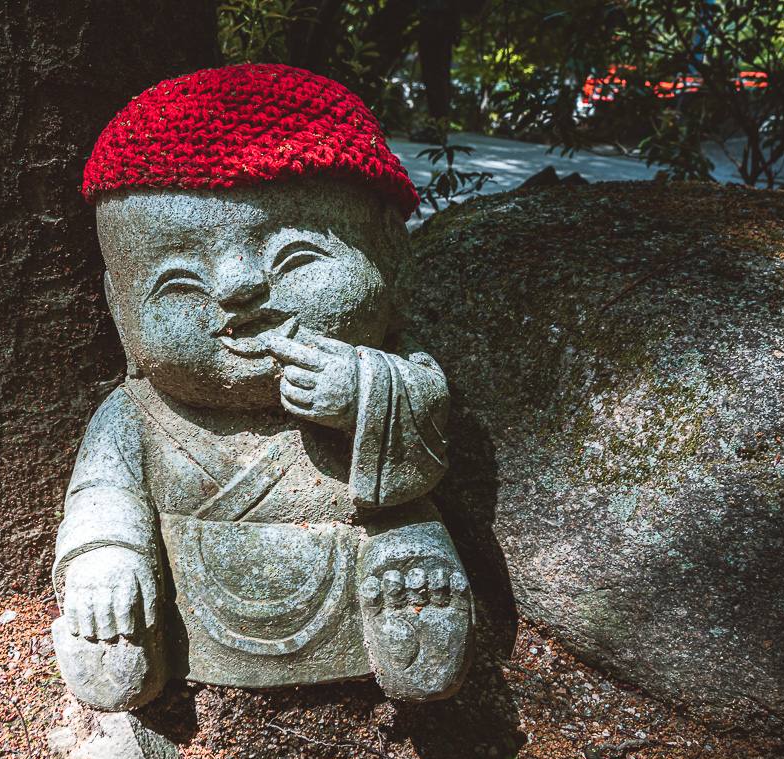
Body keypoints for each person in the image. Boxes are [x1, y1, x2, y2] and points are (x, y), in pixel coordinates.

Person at [51, 64, 473, 712]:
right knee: (113, 586)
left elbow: (425, 424)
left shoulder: (388, 365)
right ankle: (129, 643)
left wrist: (362, 392)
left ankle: (410, 601)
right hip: (190, 590)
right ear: (119, 307)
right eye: (179, 281)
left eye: (296, 257)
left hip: (367, 539)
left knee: (408, 527)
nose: (238, 288)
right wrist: (105, 558)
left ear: (392, 255)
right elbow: (102, 492)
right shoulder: (136, 415)